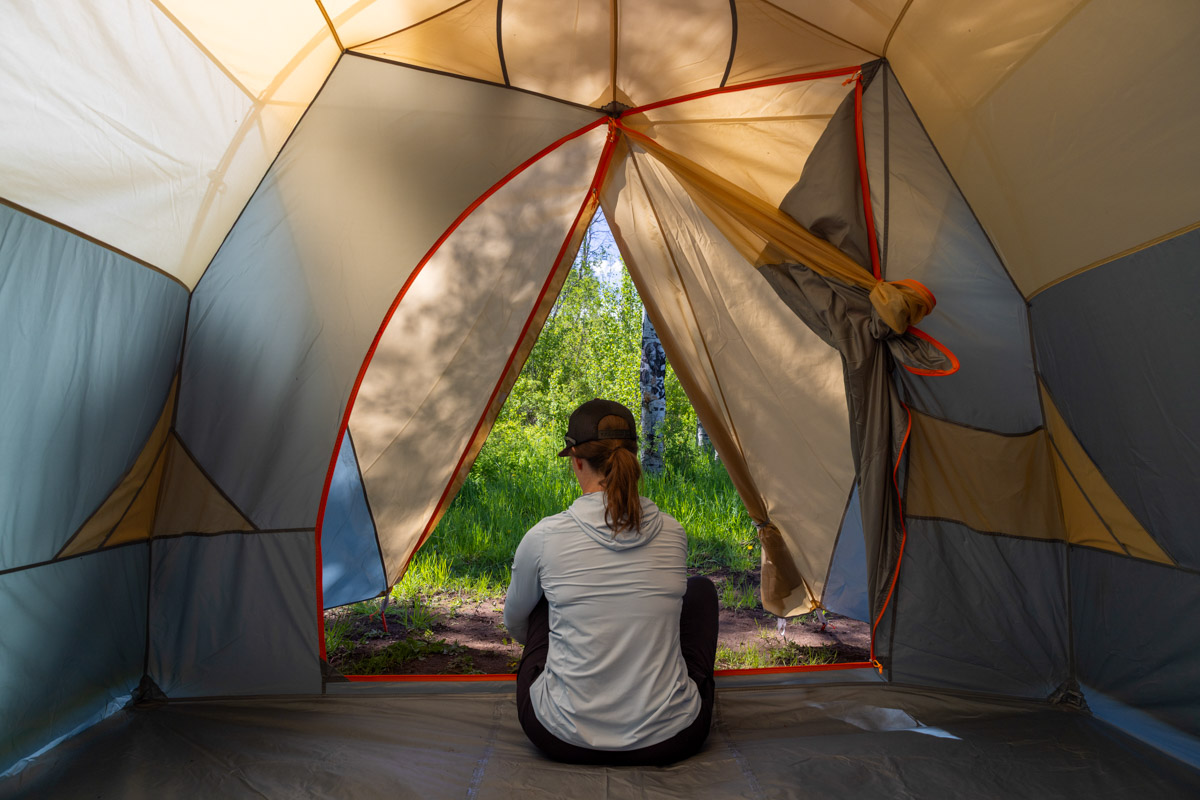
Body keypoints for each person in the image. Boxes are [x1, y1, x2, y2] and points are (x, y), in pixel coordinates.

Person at [503, 398, 719, 766]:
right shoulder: (672, 531)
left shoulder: (544, 536)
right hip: (674, 736)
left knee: (541, 598)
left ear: (576, 461)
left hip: (560, 735)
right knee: (701, 592)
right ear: (632, 458)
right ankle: (667, 692)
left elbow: (516, 625)